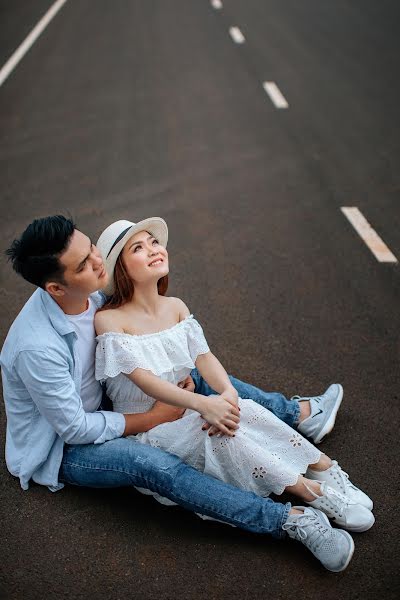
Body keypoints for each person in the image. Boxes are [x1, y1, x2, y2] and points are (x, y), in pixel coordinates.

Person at [0, 215, 362, 573]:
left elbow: (159, 336)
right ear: (56, 289)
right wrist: (155, 417)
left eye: (93, 248)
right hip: (65, 446)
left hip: (111, 398)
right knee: (152, 466)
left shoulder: (92, 289)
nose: (98, 262)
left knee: (187, 372)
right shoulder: (37, 348)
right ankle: (289, 520)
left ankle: (297, 417)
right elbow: (75, 429)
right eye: (84, 264)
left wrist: (187, 386)